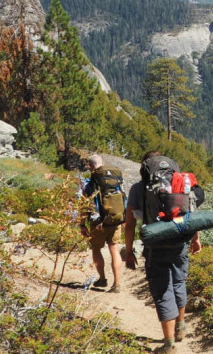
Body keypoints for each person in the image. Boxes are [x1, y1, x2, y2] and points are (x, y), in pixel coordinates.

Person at [124, 151, 202, 354]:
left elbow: (130, 224)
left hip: (155, 246)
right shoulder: (178, 182)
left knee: (162, 291)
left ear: (145, 168)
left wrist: (130, 250)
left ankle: (168, 346)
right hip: (179, 243)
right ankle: (181, 327)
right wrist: (196, 238)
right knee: (178, 282)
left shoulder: (139, 188)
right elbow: (190, 213)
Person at [80, 154, 125, 293]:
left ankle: (102, 279)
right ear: (102, 163)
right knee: (114, 249)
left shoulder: (90, 182)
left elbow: (84, 205)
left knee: (96, 249)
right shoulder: (115, 179)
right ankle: (117, 284)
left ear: (90, 166)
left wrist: (83, 224)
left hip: (98, 223)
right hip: (115, 219)